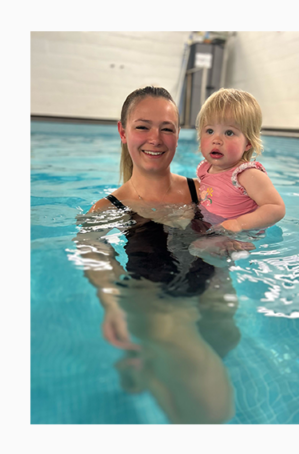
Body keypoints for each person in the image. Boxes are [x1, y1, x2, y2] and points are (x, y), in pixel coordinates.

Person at [73, 86, 251, 423]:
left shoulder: (207, 190)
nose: (155, 138)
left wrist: (234, 238)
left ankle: (147, 372)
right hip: (156, 296)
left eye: (167, 128)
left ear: (177, 135)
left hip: (212, 284)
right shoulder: (108, 207)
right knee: (212, 408)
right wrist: (112, 304)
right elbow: (92, 251)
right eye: (143, 126)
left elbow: (248, 225)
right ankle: (151, 368)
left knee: (227, 339)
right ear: (123, 131)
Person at [188, 88, 286, 266]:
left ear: (248, 142)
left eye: (229, 133)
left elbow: (276, 207)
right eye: (209, 131)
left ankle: (236, 250)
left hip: (241, 232)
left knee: (196, 248)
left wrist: (239, 224)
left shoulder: (247, 174)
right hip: (214, 226)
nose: (216, 139)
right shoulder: (205, 168)